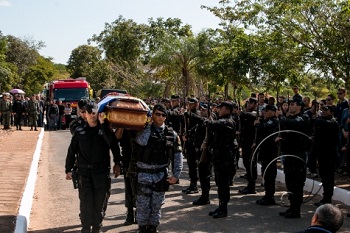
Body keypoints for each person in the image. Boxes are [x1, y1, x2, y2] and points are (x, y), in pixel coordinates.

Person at [65, 102, 122, 233]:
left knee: (99, 205)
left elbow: (113, 145)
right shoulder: (80, 131)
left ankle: (97, 228)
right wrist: (68, 169)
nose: (92, 115)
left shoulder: (105, 130)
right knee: (86, 205)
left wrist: (118, 163)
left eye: (94, 113)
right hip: (84, 173)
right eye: (89, 113)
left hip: (101, 173)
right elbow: (72, 151)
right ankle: (85, 229)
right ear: (84, 114)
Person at [134, 104, 183, 233]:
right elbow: (141, 141)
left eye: (163, 115)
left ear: (166, 117)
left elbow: (177, 156)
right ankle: (142, 227)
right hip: (144, 173)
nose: (160, 117)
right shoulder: (143, 129)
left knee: (157, 205)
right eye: (157, 114)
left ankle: (153, 227)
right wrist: (149, 126)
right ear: (152, 115)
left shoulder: (172, 134)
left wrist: (176, 175)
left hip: (160, 174)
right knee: (143, 205)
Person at [277, 98, 309, 218]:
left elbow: (294, 124)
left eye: (292, 104)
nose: (290, 106)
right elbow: (286, 130)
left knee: (297, 183)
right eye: (289, 104)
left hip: (298, 156)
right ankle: (291, 207)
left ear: (299, 107)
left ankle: (296, 210)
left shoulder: (303, 118)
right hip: (289, 155)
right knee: (289, 182)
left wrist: (281, 117)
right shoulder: (289, 118)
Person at [205, 101, 236, 218]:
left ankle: (224, 209)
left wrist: (208, 120)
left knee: (224, 184)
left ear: (227, 110)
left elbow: (213, 124)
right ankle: (220, 205)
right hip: (219, 157)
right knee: (219, 183)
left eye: (221, 108)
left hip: (225, 158)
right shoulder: (221, 120)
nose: (218, 110)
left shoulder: (228, 122)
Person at [312, 105, 339, 207]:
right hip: (321, 153)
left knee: (328, 178)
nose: (323, 111)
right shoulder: (321, 121)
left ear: (331, 112)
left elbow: (323, 125)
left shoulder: (333, 123)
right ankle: (325, 197)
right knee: (323, 176)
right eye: (322, 109)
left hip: (330, 154)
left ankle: (327, 198)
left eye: (325, 110)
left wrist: (318, 119)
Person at [254, 104, 279, 206]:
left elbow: (264, 129)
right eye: (264, 110)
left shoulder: (274, 121)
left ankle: (270, 196)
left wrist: (257, 125)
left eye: (267, 110)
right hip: (264, 151)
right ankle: (267, 194)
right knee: (265, 173)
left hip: (271, 151)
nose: (264, 112)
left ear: (273, 111)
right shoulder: (265, 120)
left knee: (270, 174)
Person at [182, 97, 202, 194]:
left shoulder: (196, 113)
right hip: (189, 142)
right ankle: (192, 184)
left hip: (194, 143)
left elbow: (199, 121)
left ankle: (194, 185)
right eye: (189, 104)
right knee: (190, 165)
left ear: (196, 104)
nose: (190, 105)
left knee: (193, 165)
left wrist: (189, 114)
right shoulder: (188, 114)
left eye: (192, 104)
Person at [238, 97, 258, 194]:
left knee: (251, 164)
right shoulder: (246, 114)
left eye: (250, 103)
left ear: (254, 104)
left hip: (251, 143)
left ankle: (252, 186)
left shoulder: (254, 114)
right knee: (247, 164)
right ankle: (250, 184)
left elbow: (249, 116)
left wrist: (241, 113)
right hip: (245, 143)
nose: (248, 105)